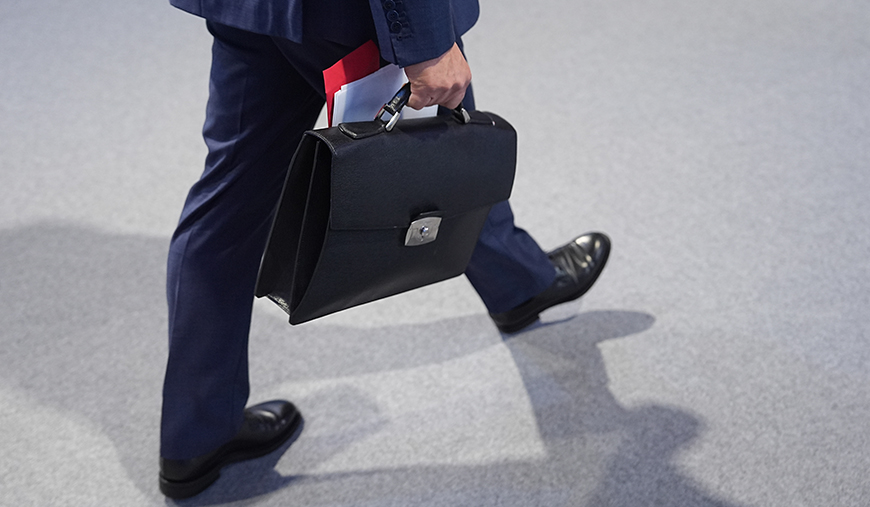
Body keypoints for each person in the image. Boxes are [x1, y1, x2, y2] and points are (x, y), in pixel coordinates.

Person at [159, 0, 611, 499]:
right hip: (362, 14)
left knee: (228, 201)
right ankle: (521, 284)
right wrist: (427, 44)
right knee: (446, 152)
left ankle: (196, 434)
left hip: (252, 10)